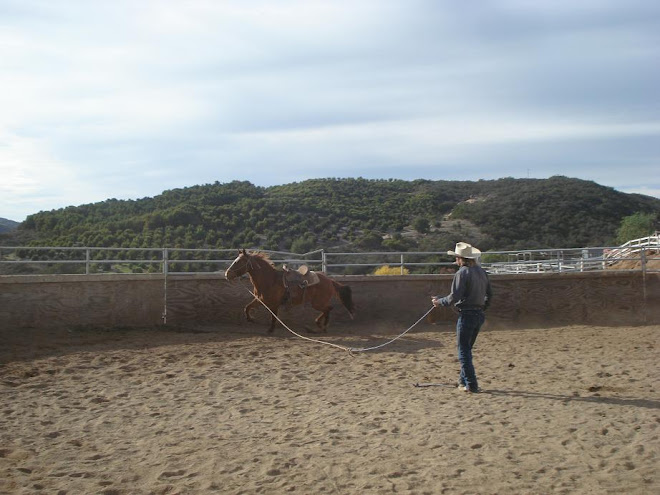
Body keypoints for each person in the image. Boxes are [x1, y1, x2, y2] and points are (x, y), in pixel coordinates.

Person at [432, 242, 492, 393]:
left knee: (464, 350)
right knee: (467, 349)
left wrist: (439, 302)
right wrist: (482, 308)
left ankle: (471, 384)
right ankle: (462, 381)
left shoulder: (462, 273)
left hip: (467, 315)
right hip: (479, 314)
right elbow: (489, 295)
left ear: (460, 258)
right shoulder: (482, 272)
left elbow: (454, 297)